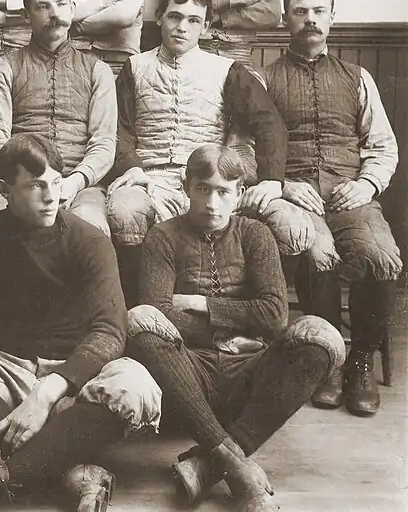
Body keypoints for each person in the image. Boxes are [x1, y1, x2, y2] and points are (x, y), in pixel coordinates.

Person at [0, 133, 161, 512]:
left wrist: (47, 394)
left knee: (137, 387)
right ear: (5, 190)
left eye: (56, 183)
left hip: (73, 381)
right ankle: (69, 467)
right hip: (6, 375)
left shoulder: (89, 240)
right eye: (35, 186)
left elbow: (111, 331)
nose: (51, 197)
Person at [126, 144, 344, 512]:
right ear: (186, 186)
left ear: (239, 192)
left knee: (320, 339)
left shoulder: (255, 234)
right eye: (203, 189)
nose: (212, 202)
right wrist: (232, 328)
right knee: (142, 324)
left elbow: (275, 315)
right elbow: (159, 312)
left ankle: (209, 462)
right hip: (187, 378)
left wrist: (200, 304)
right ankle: (237, 467)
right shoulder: (163, 237)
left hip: (249, 377)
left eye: (223, 192)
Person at [106, 0, 313, 307]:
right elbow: (119, 128)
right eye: (175, 17)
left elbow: (269, 123)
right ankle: (140, 312)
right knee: (125, 210)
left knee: (291, 224)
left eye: (193, 20)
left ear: (205, 27)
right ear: (160, 17)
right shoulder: (135, 67)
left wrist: (272, 180)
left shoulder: (227, 70)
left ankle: (245, 310)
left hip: (210, 180)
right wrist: (131, 168)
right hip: (150, 179)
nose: (182, 27)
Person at [264, 0, 401, 416]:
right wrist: (284, 185)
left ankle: (360, 359)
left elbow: (383, 147)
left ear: (332, 18)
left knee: (381, 257)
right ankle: (328, 361)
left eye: (319, 11)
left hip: (350, 193)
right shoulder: (263, 78)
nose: (310, 19)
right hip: (296, 196)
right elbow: (246, 148)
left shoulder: (358, 77)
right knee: (316, 252)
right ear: (285, 20)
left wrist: (367, 184)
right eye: (300, 11)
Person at [0, 0, 115, 235]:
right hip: (19, 184)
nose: (54, 14)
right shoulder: (1, 69)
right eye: (43, 6)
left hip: (80, 186)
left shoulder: (98, 71)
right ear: (26, 15)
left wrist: (75, 182)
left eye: (61, 4)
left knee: (91, 230)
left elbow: (104, 143)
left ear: (71, 8)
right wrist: (27, 183)